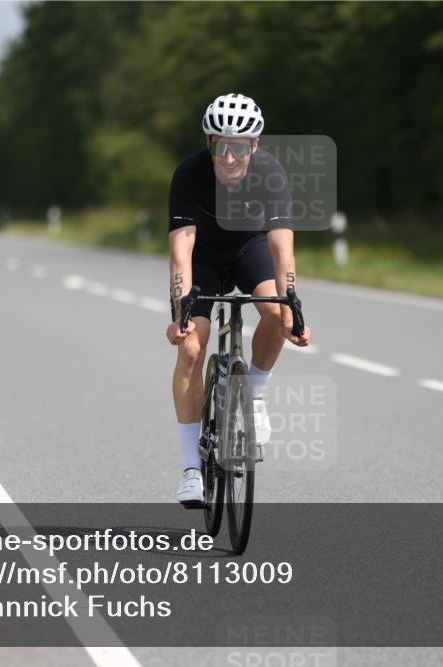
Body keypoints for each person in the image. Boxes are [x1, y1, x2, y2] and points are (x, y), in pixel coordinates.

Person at [166, 93, 311, 506]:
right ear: (210, 144)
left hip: (250, 250)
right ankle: (191, 468)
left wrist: (293, 308)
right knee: (192, 348)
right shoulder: (189, 175)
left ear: (254, 147)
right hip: (203, 258)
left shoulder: (272, 174)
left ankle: (256, 394)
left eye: (239, 148)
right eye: (221, 146)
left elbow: (283, 250)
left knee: (278, 315)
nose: (229, 158)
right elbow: (181, 252)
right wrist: (181, 315)